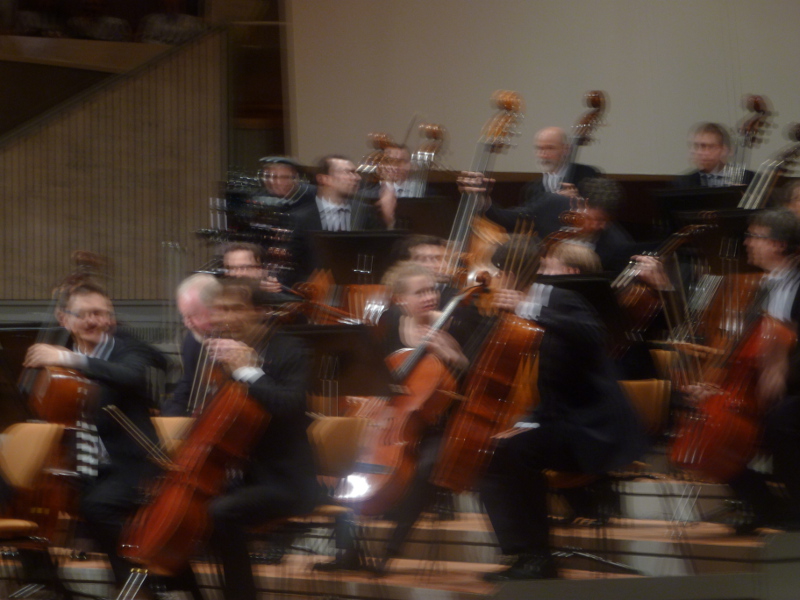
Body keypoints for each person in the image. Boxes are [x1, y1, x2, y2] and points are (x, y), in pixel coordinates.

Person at [478, 241, 646, 581]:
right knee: (490, 450)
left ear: (510, 274)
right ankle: (522, 552)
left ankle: (539, 556)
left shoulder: (560, 298)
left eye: (498, 273)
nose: (495, 280)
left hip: (591, 426)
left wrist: (530, 309)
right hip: (553, 419)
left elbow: (592, 334)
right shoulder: (519, 307)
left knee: (513, 452)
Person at [21, 280, 190, 594]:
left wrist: (69, 360)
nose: (92, 321)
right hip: (82, 466)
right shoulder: (63, 358)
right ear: (64, 319)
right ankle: (46, 583)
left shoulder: (126, 348)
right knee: (21, 496)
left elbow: (131, 374)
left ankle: (149, 573)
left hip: (132, 465)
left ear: (111, 317)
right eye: (83, 314)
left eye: (100, 313)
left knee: (95, 505)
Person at [203, 277, 319, 600]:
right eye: (220, 309)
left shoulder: (290, 350)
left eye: (235, 309)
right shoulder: (216, 353)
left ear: (260, 312)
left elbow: (288, 407)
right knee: (187, 508)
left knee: (220, 513)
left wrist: (248, 372)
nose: (226, 317)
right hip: (238, 475)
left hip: (285, 479)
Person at [712, 209, 800, 534]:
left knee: (780, 422)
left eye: (755, 237)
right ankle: (761, 502)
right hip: (757, 382)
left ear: (778, 244)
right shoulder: (759, 285)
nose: (747, 243)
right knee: (707, 420)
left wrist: (782, 372)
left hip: (793, 385)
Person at [478, 127, 601, 238]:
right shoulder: (531, 189)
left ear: (566, 149)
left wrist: (577, 201)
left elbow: (600, 215)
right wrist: (486, 202)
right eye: (539, 148)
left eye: (550, 148)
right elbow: (520, 223)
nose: (543, 154)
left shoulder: (587, 175)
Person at [161, 273, 220, 416]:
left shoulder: (240, 339)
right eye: (184, 316)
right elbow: (189, 382)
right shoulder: (192, 340)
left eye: (193, 315)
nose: (187, 324)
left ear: (215, 308)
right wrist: (172, 416)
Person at [672, 122, 755, 188]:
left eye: (706, 146)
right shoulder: (683, 183)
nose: (699, 152)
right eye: (696, 146)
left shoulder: (752, 179)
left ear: (725, 150)